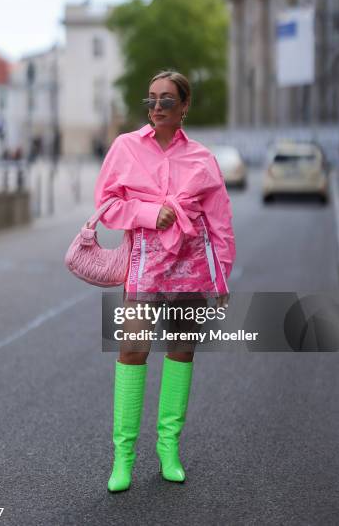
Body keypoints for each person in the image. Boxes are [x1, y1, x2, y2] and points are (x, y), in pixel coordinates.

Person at [94, 70, 236, 492]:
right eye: (151, 99)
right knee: (132, 351)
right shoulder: (125, 148)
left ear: (184, 107)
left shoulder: (203, 159)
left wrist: (220, 279)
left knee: (180, 352)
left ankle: (169, 448)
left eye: (167, 100)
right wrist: (146, 214)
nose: (156, 107)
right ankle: (123, 458)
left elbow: (221, 224)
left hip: (190, 268)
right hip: (144, 266)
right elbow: (105, 203)